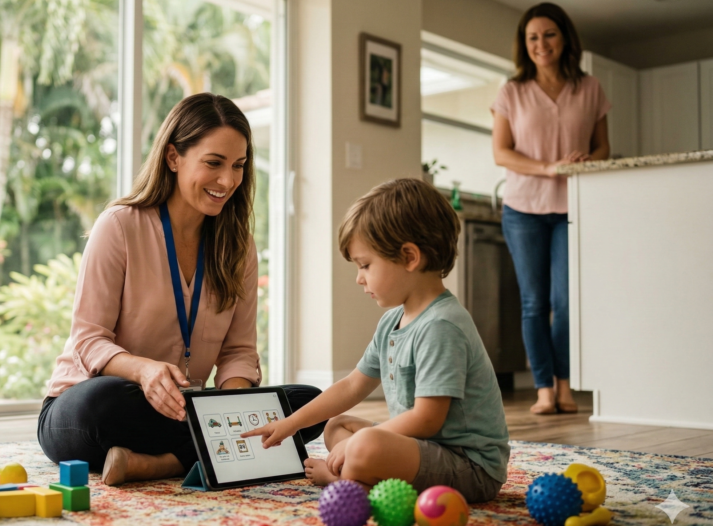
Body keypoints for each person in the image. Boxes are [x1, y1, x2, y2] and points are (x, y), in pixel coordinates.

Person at [37, 93, 324, 486]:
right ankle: (202, 455)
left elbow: (239, 352)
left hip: (186, 408)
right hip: (96, 403)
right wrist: (144, 371)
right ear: (173, 157)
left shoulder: (238, 248)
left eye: (238, 166)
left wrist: (233, 407)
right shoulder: (119, 225)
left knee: (309, 404)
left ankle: (159, 464)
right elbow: (88, 340)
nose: (228, 181)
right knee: (102, 403)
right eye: (214, 163)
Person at [242, 178, 509, 503]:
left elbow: (427, 419)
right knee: (336, 427)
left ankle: (345, 483)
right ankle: (359, 475)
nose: (359, 277)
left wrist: (360, 443)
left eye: (366, 265)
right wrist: (290, 424)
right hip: (426, 449)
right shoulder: (391, 323)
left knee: (365, 444)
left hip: (469, 467)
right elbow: (354, 385)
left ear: (410, 257)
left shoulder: (442, 326)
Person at [491, 2, 610, 415]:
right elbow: (501, 153)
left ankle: (564, 386)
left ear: (564, 38)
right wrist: (548, 167)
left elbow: (603, 149)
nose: (541, 44)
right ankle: (543, 387)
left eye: (549, 34)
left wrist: (584, 161)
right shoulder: (511, 92)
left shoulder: (590, 88)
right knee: (534, 302)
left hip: (572, 208)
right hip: (523, 208)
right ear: (525, 45)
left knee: (567, 300)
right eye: (533, 37)